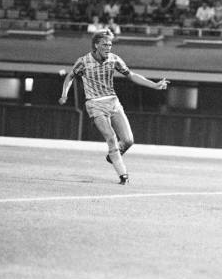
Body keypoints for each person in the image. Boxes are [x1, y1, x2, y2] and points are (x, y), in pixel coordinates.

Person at [58, 30, 170, 184]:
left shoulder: (114, 60)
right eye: (105, 44)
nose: (108, 47)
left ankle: (112, 156)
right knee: (111, 137)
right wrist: (64, 94)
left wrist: (154, 85)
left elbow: (131, 75)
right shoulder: (83, 61)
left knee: (128, 140)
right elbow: (70, 76)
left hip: (113, 102)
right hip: (94, 104)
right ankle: (123, 175)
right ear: (96, 45)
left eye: (110, 44)